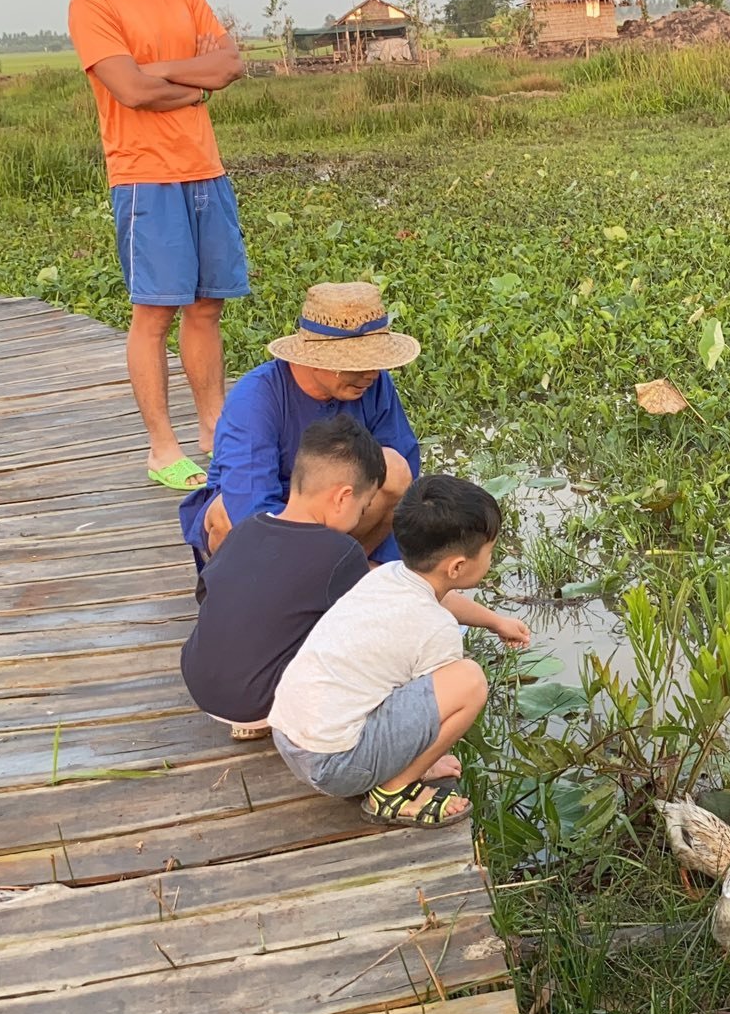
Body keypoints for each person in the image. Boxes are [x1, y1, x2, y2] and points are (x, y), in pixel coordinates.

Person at [177, 280, 527, 642]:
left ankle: (344, 583)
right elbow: (251, 507)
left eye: (375, 363)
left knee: (394, 468)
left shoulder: (373, 383)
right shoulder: (256, 399)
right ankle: (282, 600)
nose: (371, 375)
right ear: (313, 358)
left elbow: (405, 475)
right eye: (355, 365)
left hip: (340, 519)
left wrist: (395, 566)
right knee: (223, 515)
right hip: (270, 529)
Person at [68, 0, 249, 493]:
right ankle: (161, 446)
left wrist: (170, 71)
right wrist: (189, 83)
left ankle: (212, 427)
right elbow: (131, 91)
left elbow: (229, 65)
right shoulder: (92, 4)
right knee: (155, 314)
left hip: (205, 168)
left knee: (207, 306)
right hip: (145, 178)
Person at [268, 476, 525, 827]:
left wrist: (495, 621)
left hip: (290, 739)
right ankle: (394, 792)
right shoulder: (436, 629)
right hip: (335, 766)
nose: (491, 558)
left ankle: (406, 766)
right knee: (469, 682)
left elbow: (443, 597)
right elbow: (435, 709)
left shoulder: (387, 575)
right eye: (489, 551)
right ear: (457, 567)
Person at [179, 414, 383, 742]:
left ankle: (249, 713)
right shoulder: (341, 552)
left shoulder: (247, 527)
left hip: (199, 683)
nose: (362, 517)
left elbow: (206, 593)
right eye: (364, 506)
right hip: (259, 702)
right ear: (344, 496)